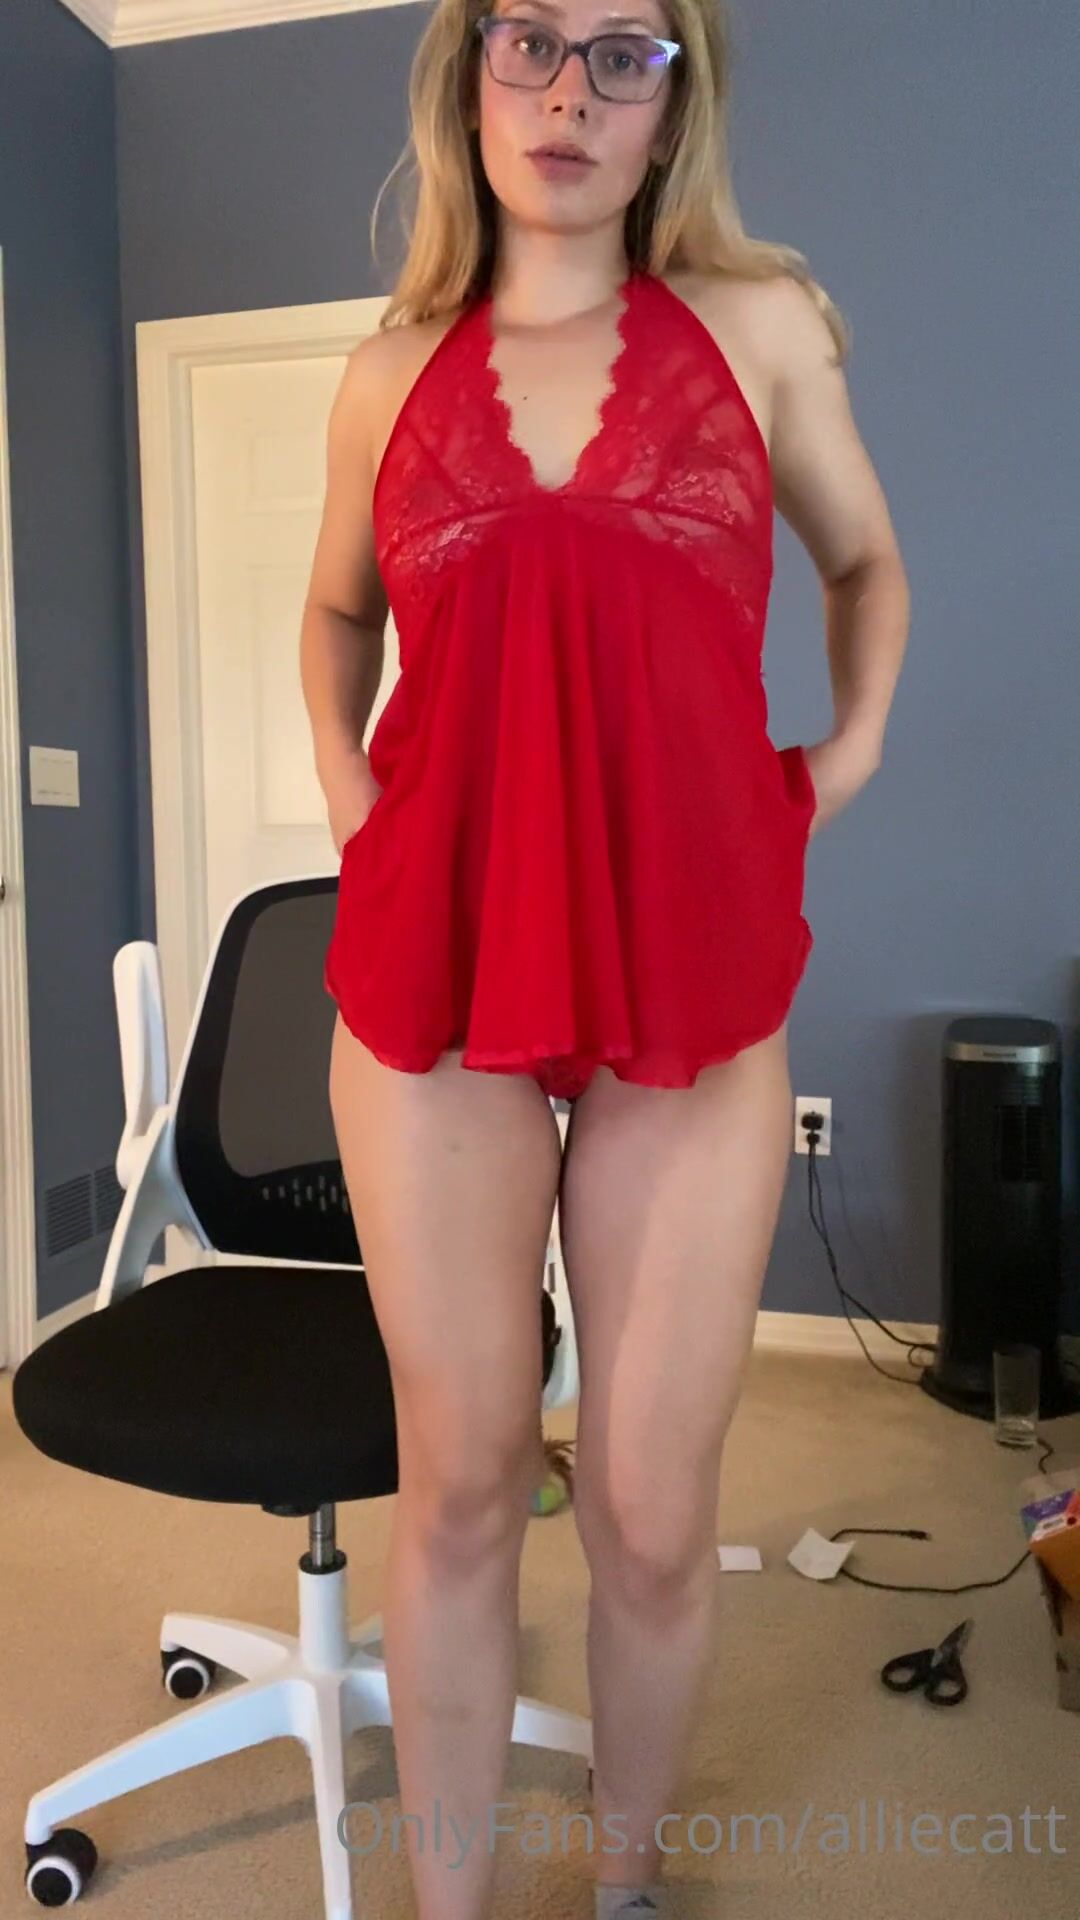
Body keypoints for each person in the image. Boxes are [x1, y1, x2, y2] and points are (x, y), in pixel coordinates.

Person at [300, 0, 909, 1910]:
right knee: (465, 1480)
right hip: (435, 977)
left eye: (623, 53)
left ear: (674, 100)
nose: (569, 92)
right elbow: (334, 613)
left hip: (691, 982)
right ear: (468, 72)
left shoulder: (763, 330)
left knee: (649, 1512)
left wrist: (841, 758)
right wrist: (354, 797)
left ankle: (626, 1884)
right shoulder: (387, 374)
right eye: (531, 42)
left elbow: (865, 563)